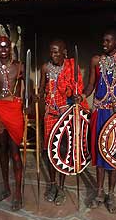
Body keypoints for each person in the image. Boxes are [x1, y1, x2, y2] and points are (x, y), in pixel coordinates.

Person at [78, 28, 116, 213]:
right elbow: (91, 85)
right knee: (99, 153)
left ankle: (111, 195)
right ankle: (100, 193)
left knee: (113, 154)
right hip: (99, 113)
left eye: (108, 41)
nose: (104, 43)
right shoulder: (96, 60)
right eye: (103, 40)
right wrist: (81, 96)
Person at [38, 39, 88, 206]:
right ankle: (52, 185)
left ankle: (61, 187)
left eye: (56, 52)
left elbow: (78, 90)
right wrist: (37, 95)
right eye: (51, 52)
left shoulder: (72, 67)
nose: (53, 55)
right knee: (51, 152)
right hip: (50, 114)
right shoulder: (45, 68)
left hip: (66, 115)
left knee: (63, 151)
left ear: (64, 52)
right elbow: (41, 88)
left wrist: (77, 97)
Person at [0, 36, 24, 211]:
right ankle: (7, 188)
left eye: (6, 47)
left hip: (14, 111)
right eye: (0, 47)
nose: (3, 50)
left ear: (10, 48)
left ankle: (18, 194)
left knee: (15, 152)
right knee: (3, 150)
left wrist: (27, 102)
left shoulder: (19, 66)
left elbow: (26, 90)